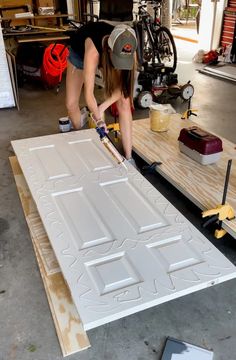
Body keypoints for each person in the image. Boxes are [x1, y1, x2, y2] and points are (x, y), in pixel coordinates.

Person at [66, 21, 137, 162]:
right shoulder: (93, 52)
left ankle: (129, 158)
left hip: (104, 54)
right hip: (80, 55)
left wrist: (102, 107)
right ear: (110, 50)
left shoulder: (129, 47)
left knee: (124, 101)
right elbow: (89, 93)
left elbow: (125, 88)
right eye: (118, 60)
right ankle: (80, 136)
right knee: (71, 103)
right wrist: (99, 120)